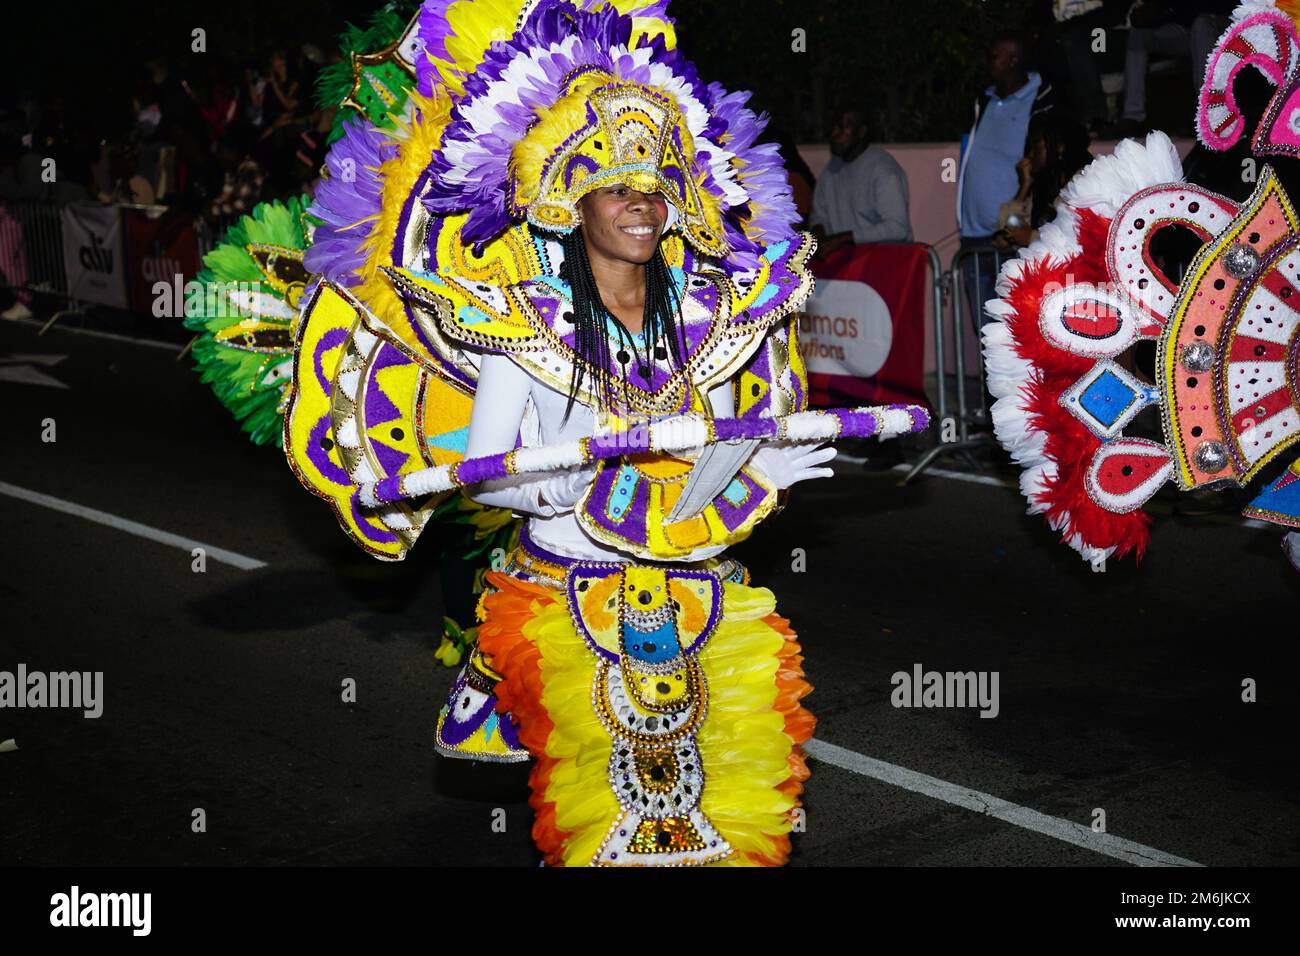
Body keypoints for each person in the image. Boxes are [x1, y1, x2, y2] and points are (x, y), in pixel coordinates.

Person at [283, 0, 925, 866]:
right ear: (570, 202)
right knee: (606, 830)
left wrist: (766, 464)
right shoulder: (522, 323)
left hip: (697, 589)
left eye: (657, 188)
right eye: (619, 189)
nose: (642, 206)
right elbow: (487, 469)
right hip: (567, 593)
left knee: (726, 822)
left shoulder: (711, 311)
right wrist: (542, 485)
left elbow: (730, 428)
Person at [956, 30, 1060, 338]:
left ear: (1014, 60)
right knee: (987, 337)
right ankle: (990, 390)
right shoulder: (982, 101)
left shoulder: (1041, 98)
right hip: (973, 238)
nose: (988, 62)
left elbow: (1046, 164)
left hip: (1012, 236)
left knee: (1019, 335)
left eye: (995, 56)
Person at [810, 107, 912, 257]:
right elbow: (819, 216)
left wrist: (845, 239)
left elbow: (897, 228)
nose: (835, 134)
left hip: (886, 264)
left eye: (844, 128)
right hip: (847, 265)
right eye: (834, 127)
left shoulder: (884, 170)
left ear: (861, 132)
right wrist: (819, 233)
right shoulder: (830, 171)